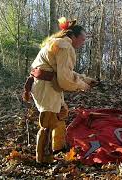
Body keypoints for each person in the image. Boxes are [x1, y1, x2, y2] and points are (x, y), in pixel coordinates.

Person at [22, 17, 97, 164]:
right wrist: (83, 86)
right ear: (73, 36)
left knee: (61, 113)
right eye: (82, 39)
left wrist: (85, 79)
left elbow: (63, 71)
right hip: (46, 86)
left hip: (47, 84)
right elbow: (64, 79)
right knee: (48, 122)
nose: (82, 43)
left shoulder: (59, 43)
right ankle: (44, 159)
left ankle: (58, 147)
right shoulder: (65, 46)